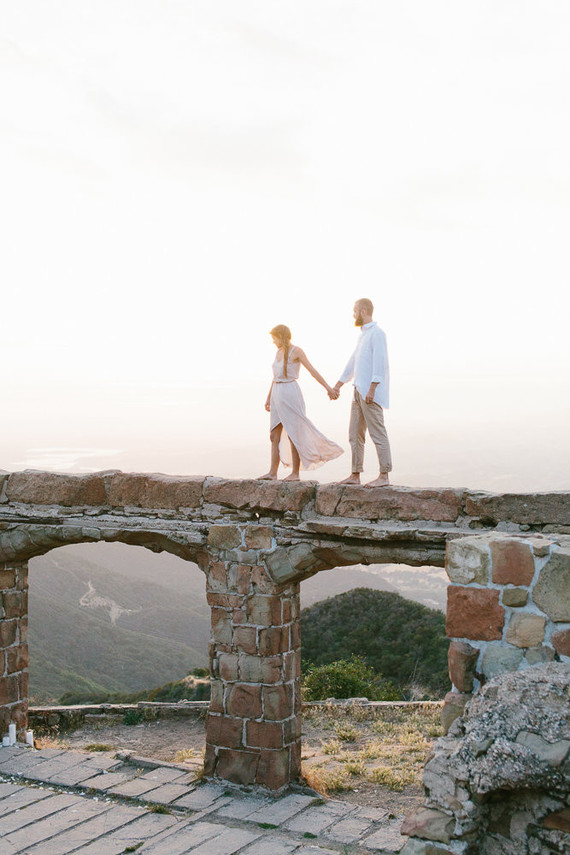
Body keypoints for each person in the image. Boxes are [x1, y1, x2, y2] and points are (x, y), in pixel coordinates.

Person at [258, 324, 343, 481]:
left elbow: (312, 370)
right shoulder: (278, 352)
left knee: (293, 432)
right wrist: (268, 397)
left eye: (274, 338)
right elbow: (275, 376)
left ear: (282, 336)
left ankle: (295, 473)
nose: (273, 342)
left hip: (290, 392)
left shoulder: (296, 351)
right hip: (277, 393)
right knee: (274, 434)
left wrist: (328, 388)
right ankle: (272, 472)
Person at [332, 298, 392, 487]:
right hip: (358, 391)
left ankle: (384, 476)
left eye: (355, 310)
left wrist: (373, 388)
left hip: (369, 393)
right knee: (354, 434)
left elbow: (379, 363)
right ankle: (355, 475)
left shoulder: (377, 333)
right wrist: (338, 385)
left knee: (377, 433)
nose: (353, 314)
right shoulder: (362, 336)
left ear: (364, 311)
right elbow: (353, 362)